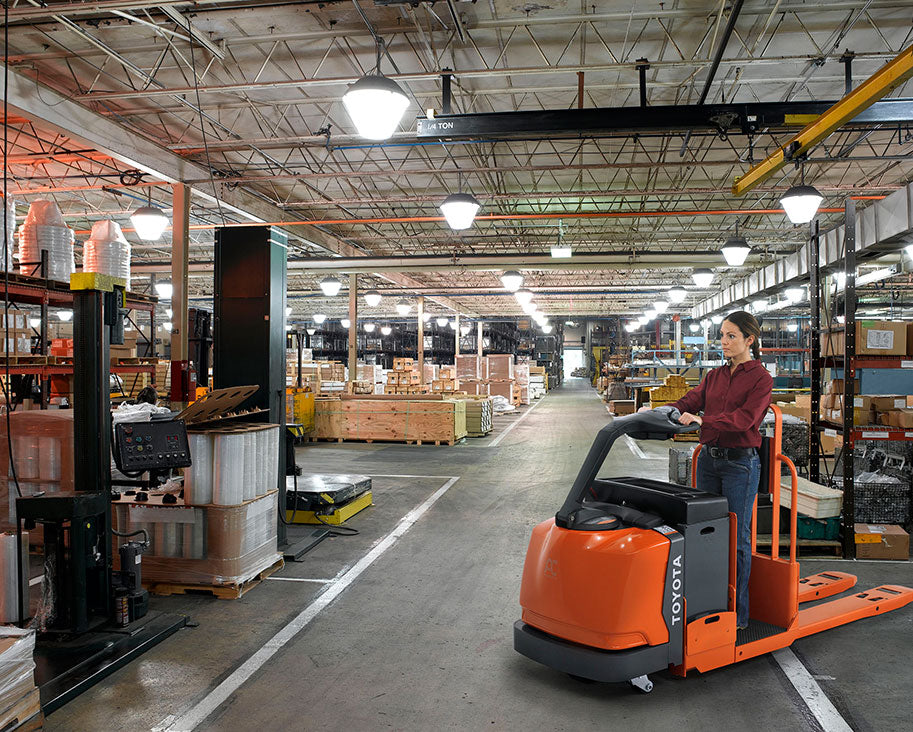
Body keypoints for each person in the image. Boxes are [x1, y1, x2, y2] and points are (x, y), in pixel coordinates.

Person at [639, 310, 771, 629]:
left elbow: (746, 420)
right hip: (710, 461)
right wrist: (663, 411)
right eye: (722, 335)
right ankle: (705, 604)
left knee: (737, 537)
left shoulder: (761, 379)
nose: (723, 342)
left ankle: (738, 615)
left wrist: (704, 419)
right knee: (704, 533)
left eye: (731, 336)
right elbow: (691, 399)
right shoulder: (714, 376)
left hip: (740, 464)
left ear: (749, 340)